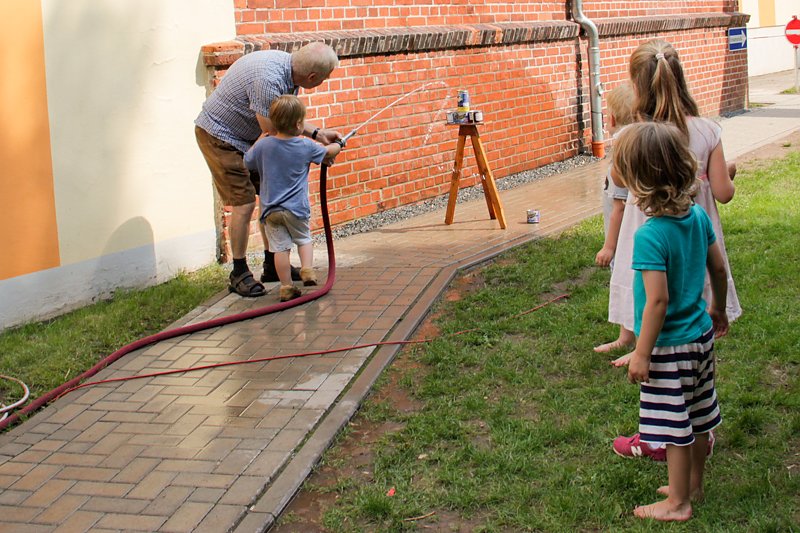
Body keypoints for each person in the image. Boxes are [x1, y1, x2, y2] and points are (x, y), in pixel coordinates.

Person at [611, 121, 728, 522]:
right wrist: (717, 309)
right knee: (697, 416)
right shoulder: (696, 216)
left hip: (669, 348)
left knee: (675, 427)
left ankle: (678, 502)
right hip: (699, 337)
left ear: (638, 180)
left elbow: (657, 301)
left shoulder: (650, 235)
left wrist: (641, 353)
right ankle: (692, 484)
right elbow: (718, 268)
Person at [602, 39, 741, 365]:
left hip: (647, 224)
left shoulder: (630, 136)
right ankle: (699, 331)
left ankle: (643, 345)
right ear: (680, 78)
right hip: (693, 225)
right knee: (692, 276)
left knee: (651, 285)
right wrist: (728, 172)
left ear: (637, 85)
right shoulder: (708, 130)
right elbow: (724, 192)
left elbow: (619, 181)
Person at [195, 42, 341, 297]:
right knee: (243, 203)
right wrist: (312, 150)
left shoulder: (289, 70)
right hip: (220, 136)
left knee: (270, 195)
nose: (326, 80)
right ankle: (238, 273)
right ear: (312, 77)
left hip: (251, 140)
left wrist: (317, 134)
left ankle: (272, 266)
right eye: (326, 77)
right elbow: (273, 130)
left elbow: (283, 121)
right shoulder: (269, 79)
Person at [244, 95, 340, 301]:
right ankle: (307, 270)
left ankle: (286, 286)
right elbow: (328, 152)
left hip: (270, 211)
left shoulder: (264, 146)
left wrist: (262, 137)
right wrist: (339, 145)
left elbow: (247, 161)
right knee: (303, 239)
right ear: (298, 124)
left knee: (279, 249)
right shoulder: (305, 146)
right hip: (296, 209)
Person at [594, 81, 636, 352]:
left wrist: (610, 246)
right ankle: (626, 336)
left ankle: (634, 338)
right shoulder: (639, 139)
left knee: (628, 282)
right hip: (634, 232)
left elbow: (619, 205)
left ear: (612, 117)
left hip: (627, 236)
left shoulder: (624, 145)